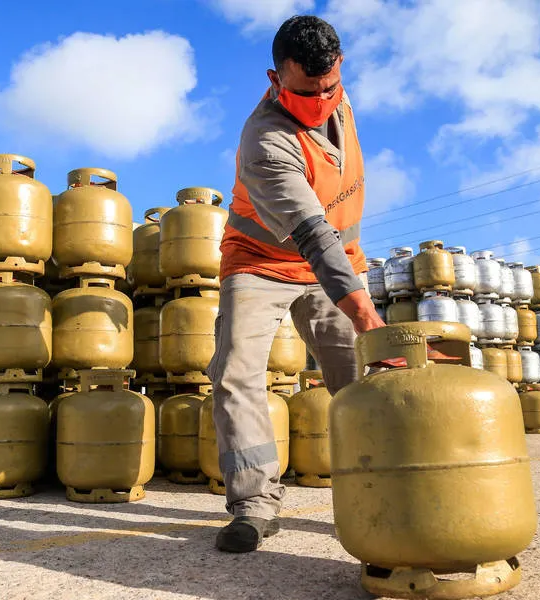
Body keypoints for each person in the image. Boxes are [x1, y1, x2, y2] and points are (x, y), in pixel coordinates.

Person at [208, 15, 385, 553]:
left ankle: (383, 488)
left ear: (340, 69)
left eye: (329, 88)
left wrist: (366, 321)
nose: (320, 102)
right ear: (274, 78)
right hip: (260, 261)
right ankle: (255, 505)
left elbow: (330, 242)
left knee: (362, 378)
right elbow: (311, 234)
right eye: (305, 93)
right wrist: (366, 316)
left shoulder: (340, 98)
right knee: (235, 372)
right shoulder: (265, 139)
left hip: (338, 260)